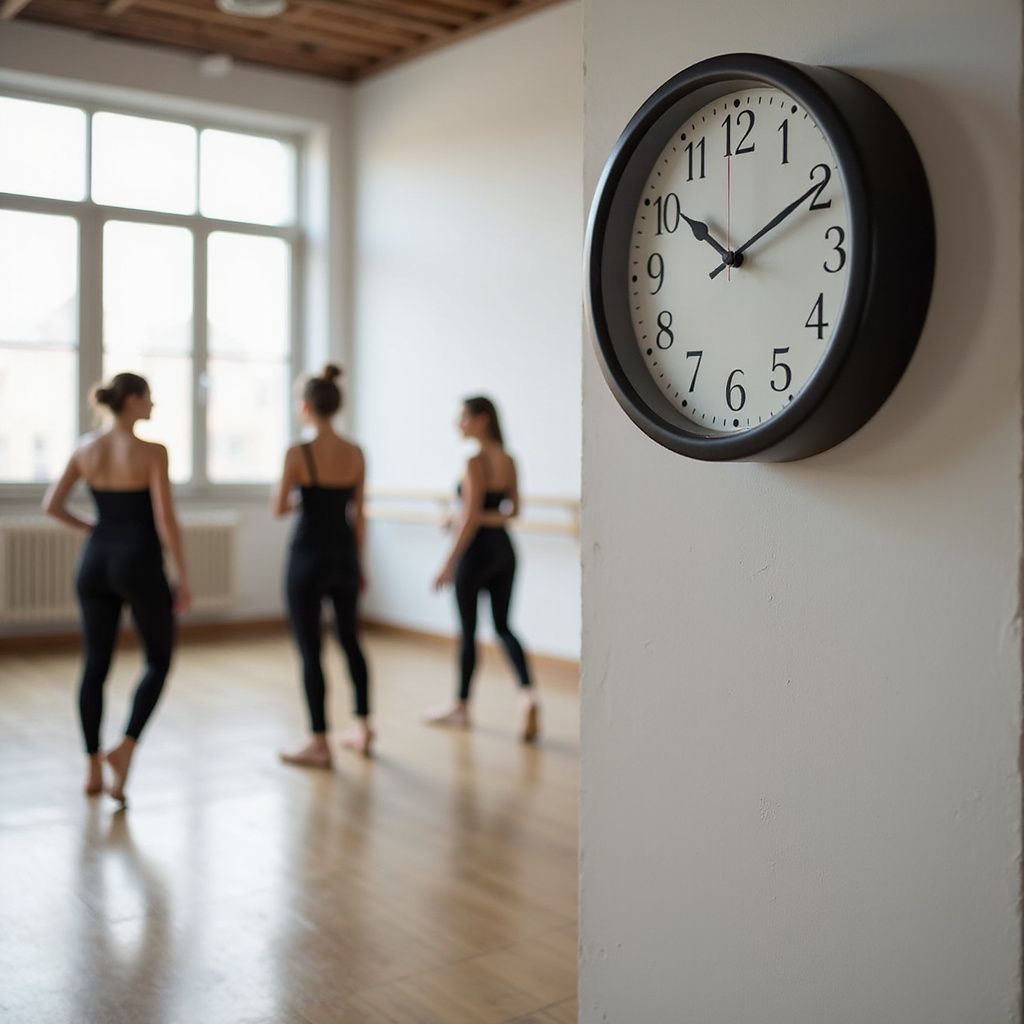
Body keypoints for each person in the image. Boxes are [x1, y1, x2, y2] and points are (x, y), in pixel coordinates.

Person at [42, 372, 191, 804]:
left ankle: (92, 766)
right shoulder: (152, 452)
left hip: (95, 561)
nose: (153, 405)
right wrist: (182, 574)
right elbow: (166, 520)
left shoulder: (85, 448)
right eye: (149, 398)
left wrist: (93, 528)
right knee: (159, 660)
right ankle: (124, 749)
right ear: (131, 401)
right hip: (139, 562)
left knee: (95, 665)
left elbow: (51, 505)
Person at [274, 364, 372, 768]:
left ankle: (319, 742)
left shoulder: (297, 453)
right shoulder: (355, 452)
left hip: (307, 557)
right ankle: (364, 728)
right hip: (344, 554)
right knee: (351, 641)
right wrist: (360, 563)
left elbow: (279, 507)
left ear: (306, 408)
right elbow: (360, 513)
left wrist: (305, 497)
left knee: (310, 649)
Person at [430, 396, 539, 741]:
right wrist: (466, 515)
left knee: (468, 632)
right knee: (504, 626)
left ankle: (461, 707)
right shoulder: (508, 459)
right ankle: (528, 695)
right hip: (504, 550)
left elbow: (473, 515)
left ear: (481, 420)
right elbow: (512, 511)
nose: (457, 424)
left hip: (475, 553)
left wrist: (448, 563)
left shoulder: (474, 462)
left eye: (462, 417)